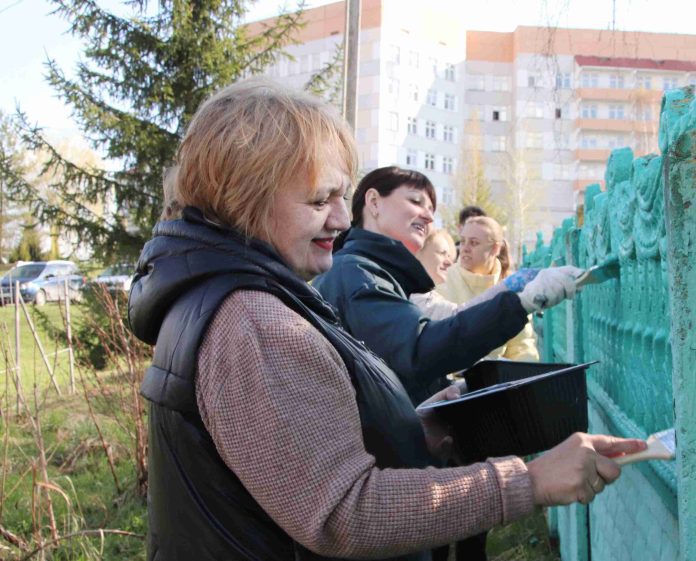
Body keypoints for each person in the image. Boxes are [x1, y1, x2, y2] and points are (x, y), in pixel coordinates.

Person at [128, 80, 645, 561]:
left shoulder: (231, 297)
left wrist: (405, 425)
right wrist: (528, 482)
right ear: (246, 196)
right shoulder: (252, 319)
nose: (340, 218)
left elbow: (291, 455)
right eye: (320, 199)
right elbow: (343, 512)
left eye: (341, 196)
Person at [314, 166, 569, 404]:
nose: (428, 216)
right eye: (415, 201)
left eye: (431, 209)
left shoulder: (374, 272)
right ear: (374, 202)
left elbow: (392, 375)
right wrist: (520, 303)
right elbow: (419, 349)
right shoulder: (357, 274)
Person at [438, 216, 539, 361]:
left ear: (495, 249)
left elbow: (522, 347)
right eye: (463, 241)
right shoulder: (442, 280)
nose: (465, 248)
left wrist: (520, 372)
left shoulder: (512, 289)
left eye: (474, 243)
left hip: (495, 374)